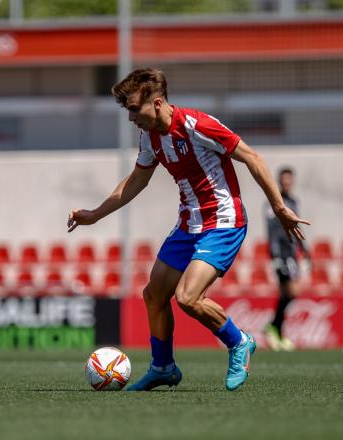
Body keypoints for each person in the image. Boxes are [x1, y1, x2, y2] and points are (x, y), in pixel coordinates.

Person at [67, 68, 309, 391]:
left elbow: (251, 157)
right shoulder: (150, 135)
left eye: (134, 110)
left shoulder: (197, 125)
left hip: (224, 222)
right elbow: (137, 179)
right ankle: (163, 367)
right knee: (154, 294)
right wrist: (95, 215)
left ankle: (240, 343)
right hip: (188, 224)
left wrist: (279, 207)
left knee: (188, 297)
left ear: (156, 103)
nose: (130, 118)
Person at [264, 167, 309, 351]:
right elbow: (271, 231)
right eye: (283, 179)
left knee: (287, 293)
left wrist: (305, 251)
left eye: (289, 179)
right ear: (279, 181)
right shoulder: (273, 203)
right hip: (281, 253)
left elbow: (296, 227)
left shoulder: (294, 202)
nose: (287, 182)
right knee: (292, 291)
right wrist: (275, 256)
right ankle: (274, 327)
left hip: (291, 252)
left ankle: (277, 330)